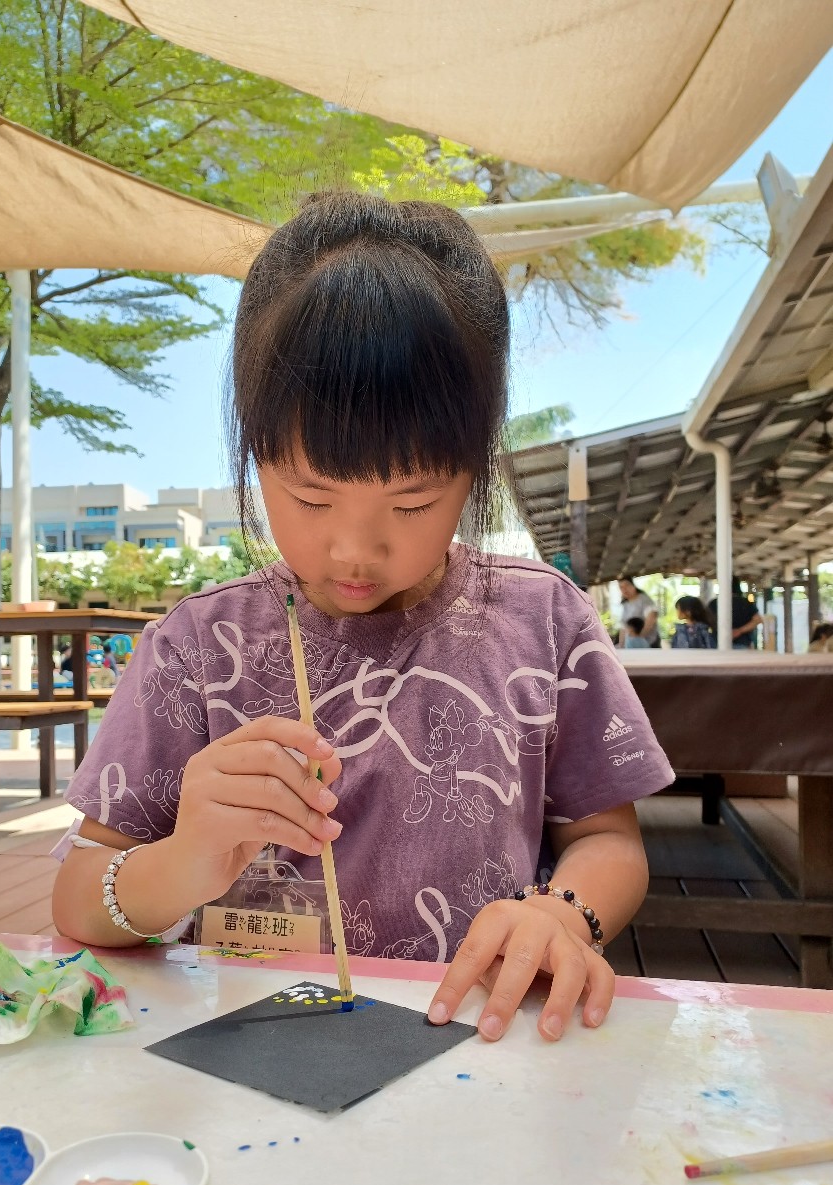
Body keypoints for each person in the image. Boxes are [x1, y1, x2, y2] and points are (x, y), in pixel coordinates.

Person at [52, 192, 674, 1045]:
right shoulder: (198, 649)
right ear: (255, 455)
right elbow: (79, 893)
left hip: (475, 1045)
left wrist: (564, 913)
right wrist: (178, 864)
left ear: (475, 466)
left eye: (413, 502)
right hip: (251, 1059)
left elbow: (610, 839)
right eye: (310, 497)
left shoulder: (545, 622)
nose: (353, 550)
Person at [708, 577, 763, 649]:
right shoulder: (745, 603)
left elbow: (706, 621)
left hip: (717, 643)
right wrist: (739, 631)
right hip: (742, 644)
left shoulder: (714, 603)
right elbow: (758, 620)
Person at [617, 577, 659, 647]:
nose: (624, 589)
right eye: (621, 587)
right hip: (632, 645)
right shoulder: (626, 604)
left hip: (649, 644)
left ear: (633, 586)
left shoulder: (644, 599)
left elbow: (652, 617)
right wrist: (621, 646)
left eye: (627, 585)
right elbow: (623, 627)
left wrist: (640, 638)